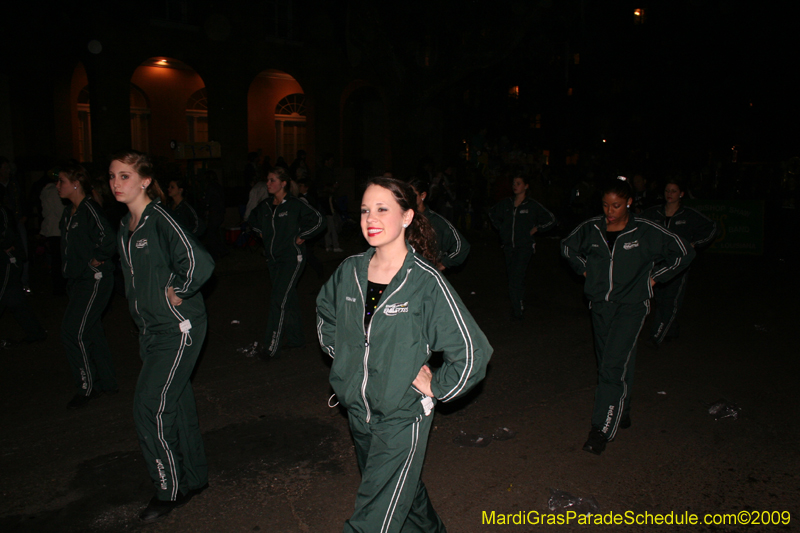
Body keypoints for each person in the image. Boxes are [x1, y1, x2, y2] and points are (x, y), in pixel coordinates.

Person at [316, 177, 493, 533]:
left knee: (374, 517)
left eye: (382, 209)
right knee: (400, 493)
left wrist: (437, 386)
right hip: (358, 412)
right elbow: (326, 314)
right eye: (365, 210)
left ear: (407, 216)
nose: (371, 218)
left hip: (402, 417)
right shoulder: (350, 270)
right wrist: (348, 361)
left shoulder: (425, 282)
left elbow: (472, 351)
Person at [110, 150, 214, 522]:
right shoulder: (126, 227)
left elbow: (200, 262)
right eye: (112, 176)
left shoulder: (160, 220)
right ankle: (195, 478)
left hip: (178, 327)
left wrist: (181, 289)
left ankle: (168, 490)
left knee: (148, 407)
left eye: (125, 176)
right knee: (178, 403)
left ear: (145, 181)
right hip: (150, 330)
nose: (116, 183)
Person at [561, 178, 695, 455]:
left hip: (632, 307)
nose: (610, 211)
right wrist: (585, 270)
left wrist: (654, 279)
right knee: (615, 360)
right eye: (605, 205)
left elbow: (684, 252)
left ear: (629, 203)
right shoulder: (592, 228)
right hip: (600, 305)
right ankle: (622, 409)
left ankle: (601, 430)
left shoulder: (645, 230)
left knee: (611, 367)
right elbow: (566, 246)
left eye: (617, 205)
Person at [57, 163, 118, 409]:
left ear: (75, 184)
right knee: (91, 330)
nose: (57, 186)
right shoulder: (68, 213)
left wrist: (97, 258)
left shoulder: (89, 209)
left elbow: (109, 238)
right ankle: (107, 382)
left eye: (62, 181)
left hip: (94, 280)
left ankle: (87, 386)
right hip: (77, 280)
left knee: (72, 331)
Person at [247, 167, 325, 359]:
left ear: (283, 183)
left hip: (292, 258)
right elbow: (252, 219)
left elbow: (318, 220)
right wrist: (261, 233)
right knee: (287, 299)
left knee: (278, 300)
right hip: (273, 259)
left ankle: (271, 347)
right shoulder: (266, 206)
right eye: (267, 180)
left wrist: (303, 235)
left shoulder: (295, 205)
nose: (268, 184)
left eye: (272, 180)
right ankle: (297, 340)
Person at [640, 178, 717, 348]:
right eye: (667, 190)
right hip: (657, 263)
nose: (670, 194)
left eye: (674, 191)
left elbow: (711, 227)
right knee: (660, 299)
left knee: (671, 299)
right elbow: (637, 226)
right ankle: (671, 330)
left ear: (681, 194)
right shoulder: (654, 213)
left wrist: (694, 244)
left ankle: (657, 335)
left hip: (678, 264)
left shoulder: (688, 214)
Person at [488, 173, 556, 320]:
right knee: (513, 276)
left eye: (518, 183)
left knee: (516, 276)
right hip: (508, 246)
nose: (515, 186)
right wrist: (502, 228)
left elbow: (550, 219)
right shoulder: (506, 203)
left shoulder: (531, 205)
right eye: (514, 183)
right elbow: (492, 213)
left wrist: (537, 229)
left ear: (526, 186)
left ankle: (517, 309)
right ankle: (518, 303)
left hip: (524, 246)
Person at [0, 203, 47, 344]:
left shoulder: (2, 211)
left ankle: (36, 333)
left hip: (7, 261)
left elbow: (7, 235)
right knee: (14, 298)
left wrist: (5, 245)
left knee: (4, 293)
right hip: (7, 260)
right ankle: (35, 332)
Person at [409, 178, 470, 270]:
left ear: (423, 195)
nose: (407, 197)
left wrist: (443, 263)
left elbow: (462, 246)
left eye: (412, 194)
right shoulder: (402, 217)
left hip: (424, 273)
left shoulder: (436, 221)